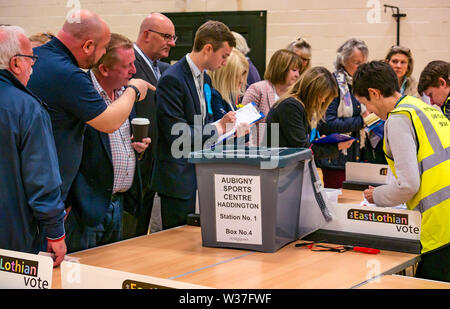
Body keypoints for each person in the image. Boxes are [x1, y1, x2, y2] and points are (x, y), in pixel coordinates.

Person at [27, 10, 154, 212]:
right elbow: (109, 123)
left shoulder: (37, 57)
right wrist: (134, 89)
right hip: (48, 194)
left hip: (34, 183)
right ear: (87, 46)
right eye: (103, 48)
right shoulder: (69, 74)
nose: (103, 54)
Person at [354, 60, 450, 282]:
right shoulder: (423, 108)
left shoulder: (399, 118)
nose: (368, 111)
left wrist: (376, 195)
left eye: (365, 103)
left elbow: (408, 185)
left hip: (440, 225)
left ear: (374, 93)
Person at [65, 33, 150, 252]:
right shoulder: (83, 93)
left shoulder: (125, 92)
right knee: (82, 276)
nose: (134, 71)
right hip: (87, 208)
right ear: (104, 69)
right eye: (127, 65)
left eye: (133, 63)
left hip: (119, 204)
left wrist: (137, 150)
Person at [151, 20, 238, 229]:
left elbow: (203, 122)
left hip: (199, 174)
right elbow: (177, 134)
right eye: (224, 56)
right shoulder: (173, 79)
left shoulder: (205, 79)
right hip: (177, 179)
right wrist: (218, 128)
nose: (225, 62)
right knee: (176, 246)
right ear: (208, 49)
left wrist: (227, 129)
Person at [0, 26, 66, 266]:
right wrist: (55, 231)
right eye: (31, 59)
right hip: (12, 241)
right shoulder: (27, 109)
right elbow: (41, 178)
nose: (34, 66)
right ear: (16, 63)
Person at [122, 12, 175, 239]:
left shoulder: (162, 69)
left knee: (141, 234)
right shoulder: (128, 63)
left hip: (152, 165)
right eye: (166, 36)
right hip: (131, 166)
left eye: (173, 37)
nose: (172, 43)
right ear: (146, 34)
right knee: (126, 236)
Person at [265, 66, 354, 158]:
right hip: (276, 166)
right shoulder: (291, 106)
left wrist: (320, 142)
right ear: (312, 90)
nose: (323, 100)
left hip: (281, 165)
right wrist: (335, 147)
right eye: (322, 96)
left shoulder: (296, 105)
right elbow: (302, 149)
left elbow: (301, 144)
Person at [316, 38, 369, 188]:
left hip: (355, 155)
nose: (361, 67)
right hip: (335, 159)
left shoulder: (358, 84)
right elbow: (327, 122)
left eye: (363, 63)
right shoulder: (333, 83)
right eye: (357, 63)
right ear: (343, 61)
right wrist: (362, 121)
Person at [241, 49, 302, 145]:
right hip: (257, 154)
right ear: (281, 68)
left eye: (299, 71)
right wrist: (251, 154)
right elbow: (243, 125)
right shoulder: (258, 90)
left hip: (284, 155)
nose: (297, 75)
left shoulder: (295, 97)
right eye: (294, 70)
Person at [208, 47, 249, 121]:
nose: (241, 80)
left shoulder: (227, 95)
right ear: (225, 75)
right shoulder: (214, 96)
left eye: (243, 74)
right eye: (237, 76)